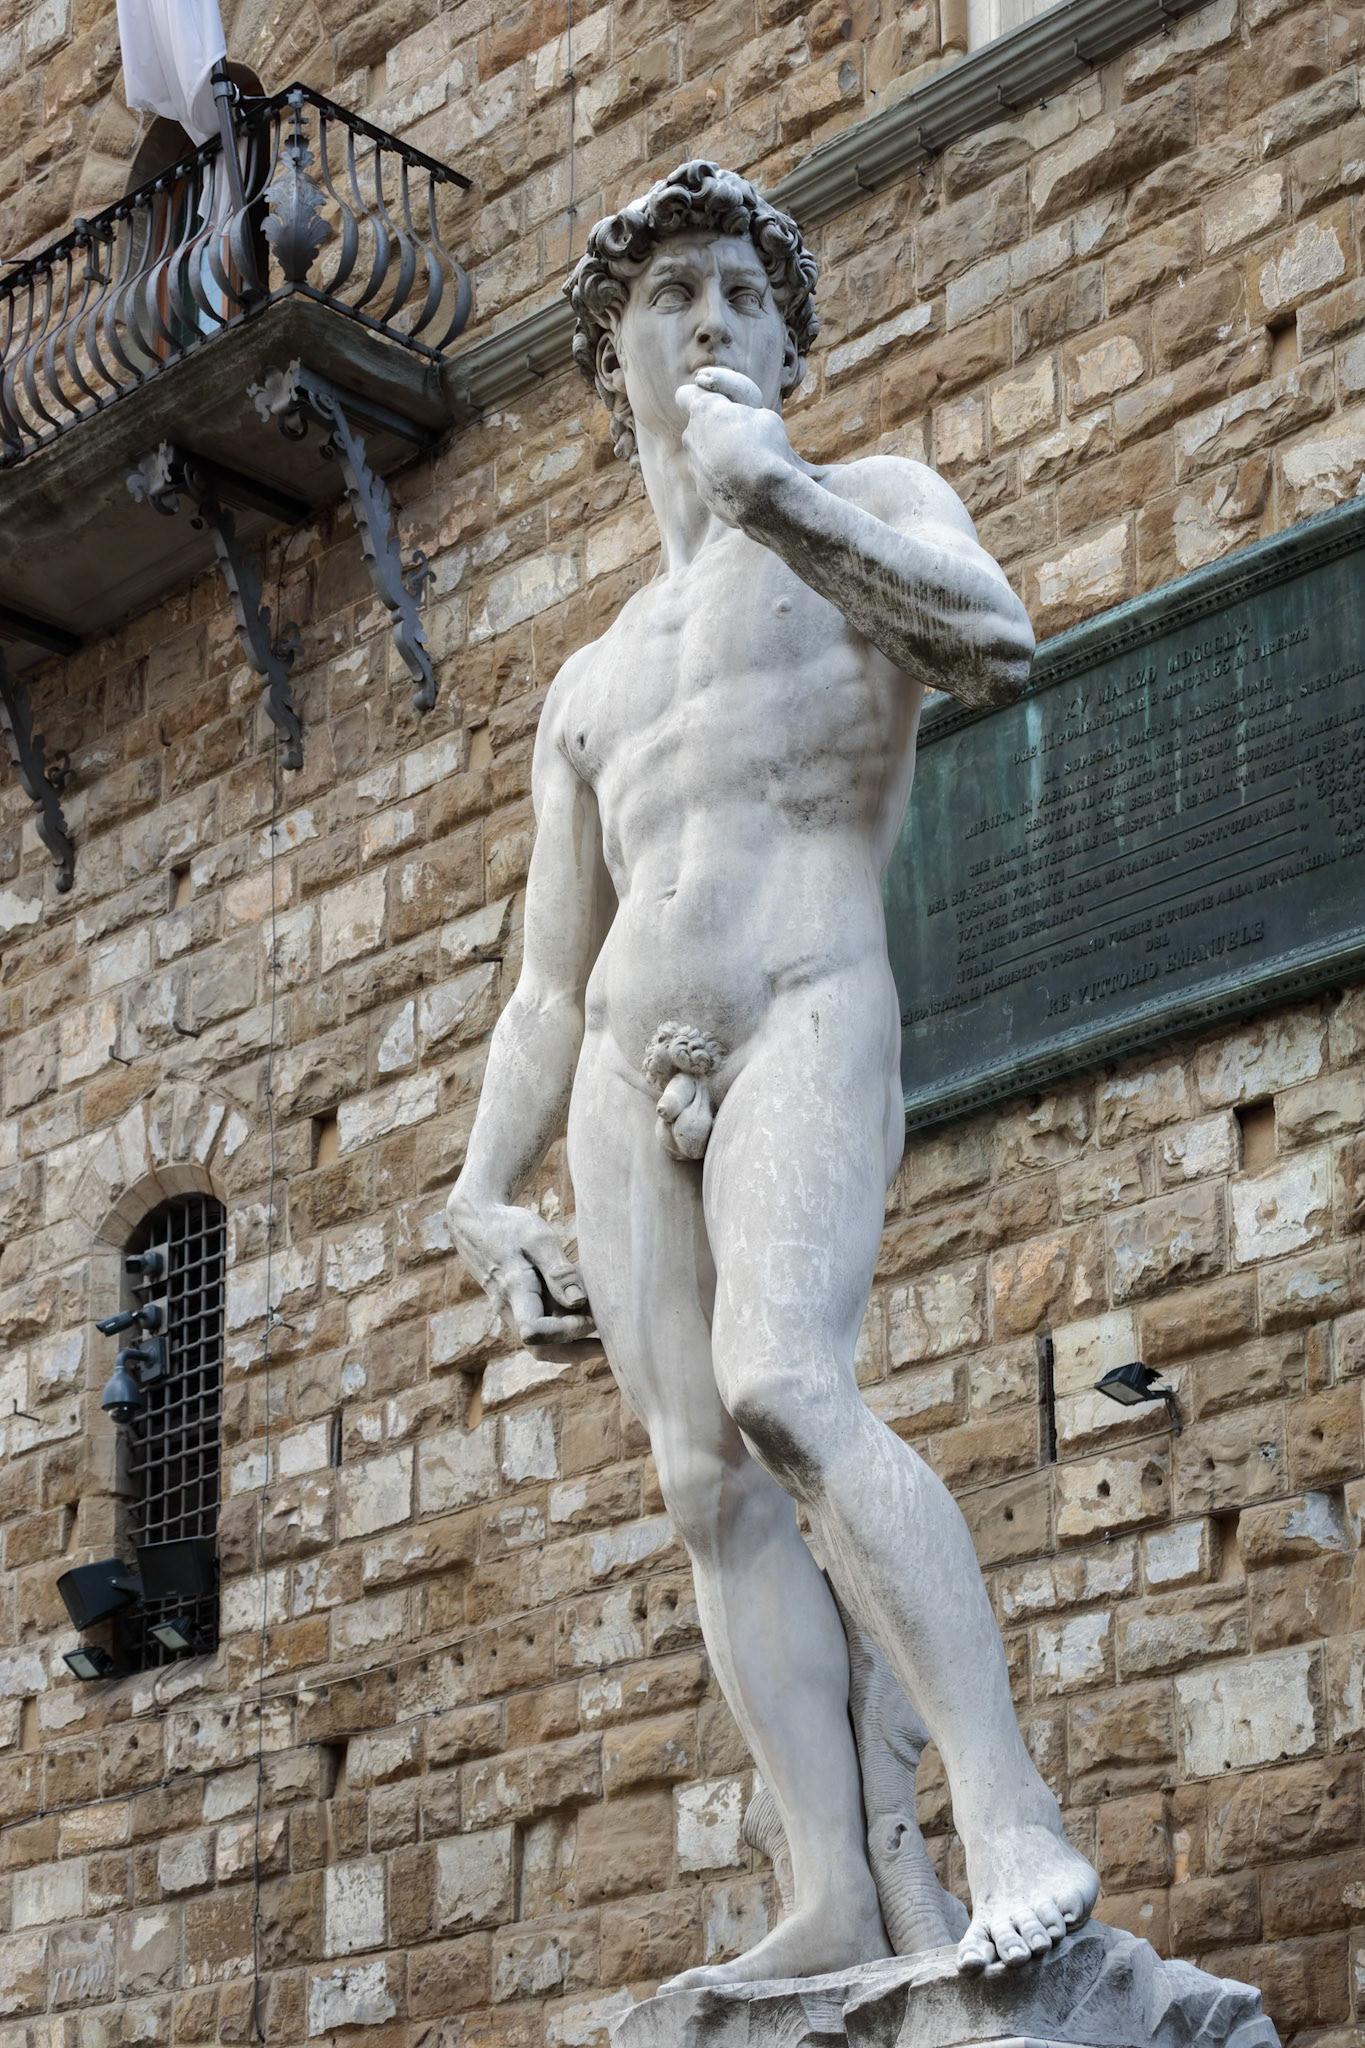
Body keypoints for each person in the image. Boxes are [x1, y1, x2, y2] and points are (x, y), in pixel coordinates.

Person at [446, 159, 1099, 1985]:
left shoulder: (865, 499)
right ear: (620, 369)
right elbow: (543, 986)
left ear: (789, 338)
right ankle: (825, 1885)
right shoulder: (588, 679)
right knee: (698, 1481)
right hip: (621, 1073)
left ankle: (1004, 1812)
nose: (712, 319)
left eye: (741, 290)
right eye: (675, 301)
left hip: (806, 993)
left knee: (785, 1387)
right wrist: (476, 1192)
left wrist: (784, 499)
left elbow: (994, 643)